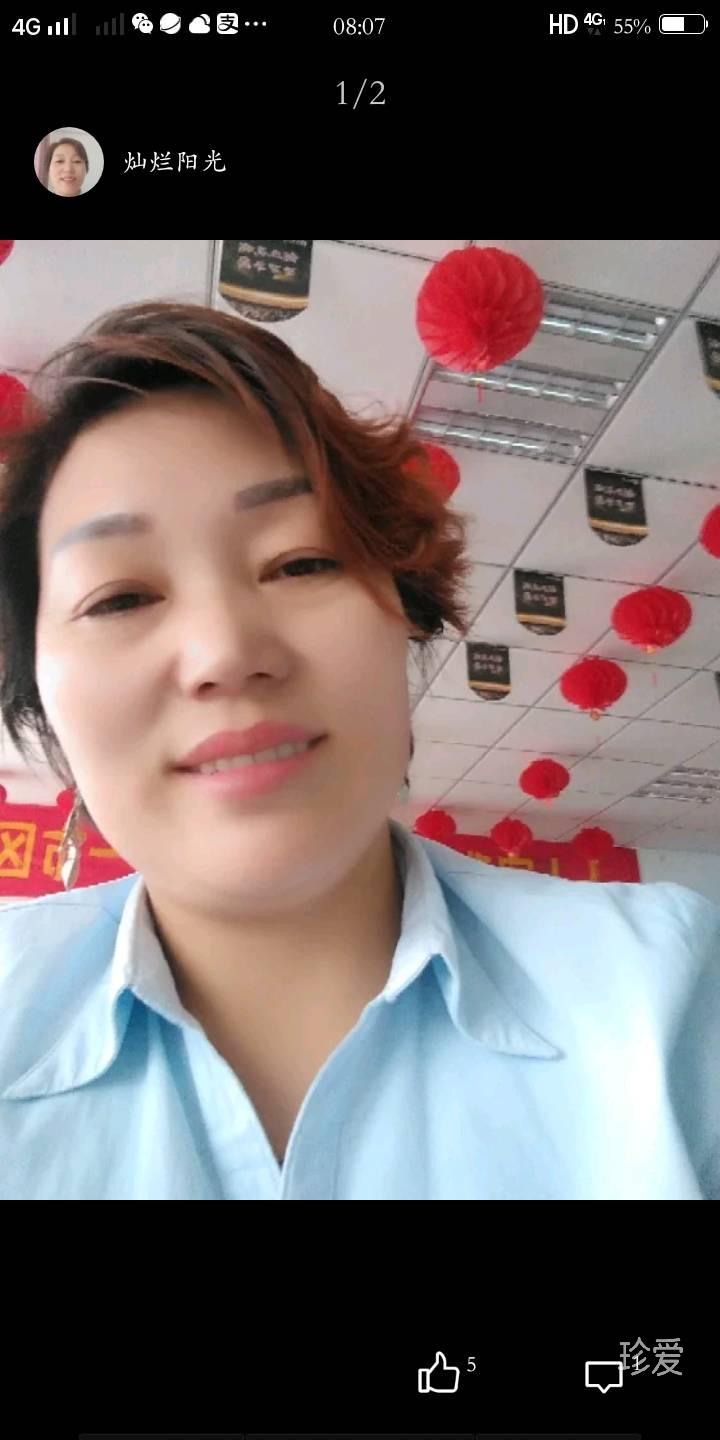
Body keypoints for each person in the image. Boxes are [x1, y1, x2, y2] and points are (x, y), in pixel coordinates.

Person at [0, 300, 718, 1200]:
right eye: (119, 598)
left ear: (406, 615)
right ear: (36, 693)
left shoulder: (664, 995)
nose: (225, 651)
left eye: (301, 562)